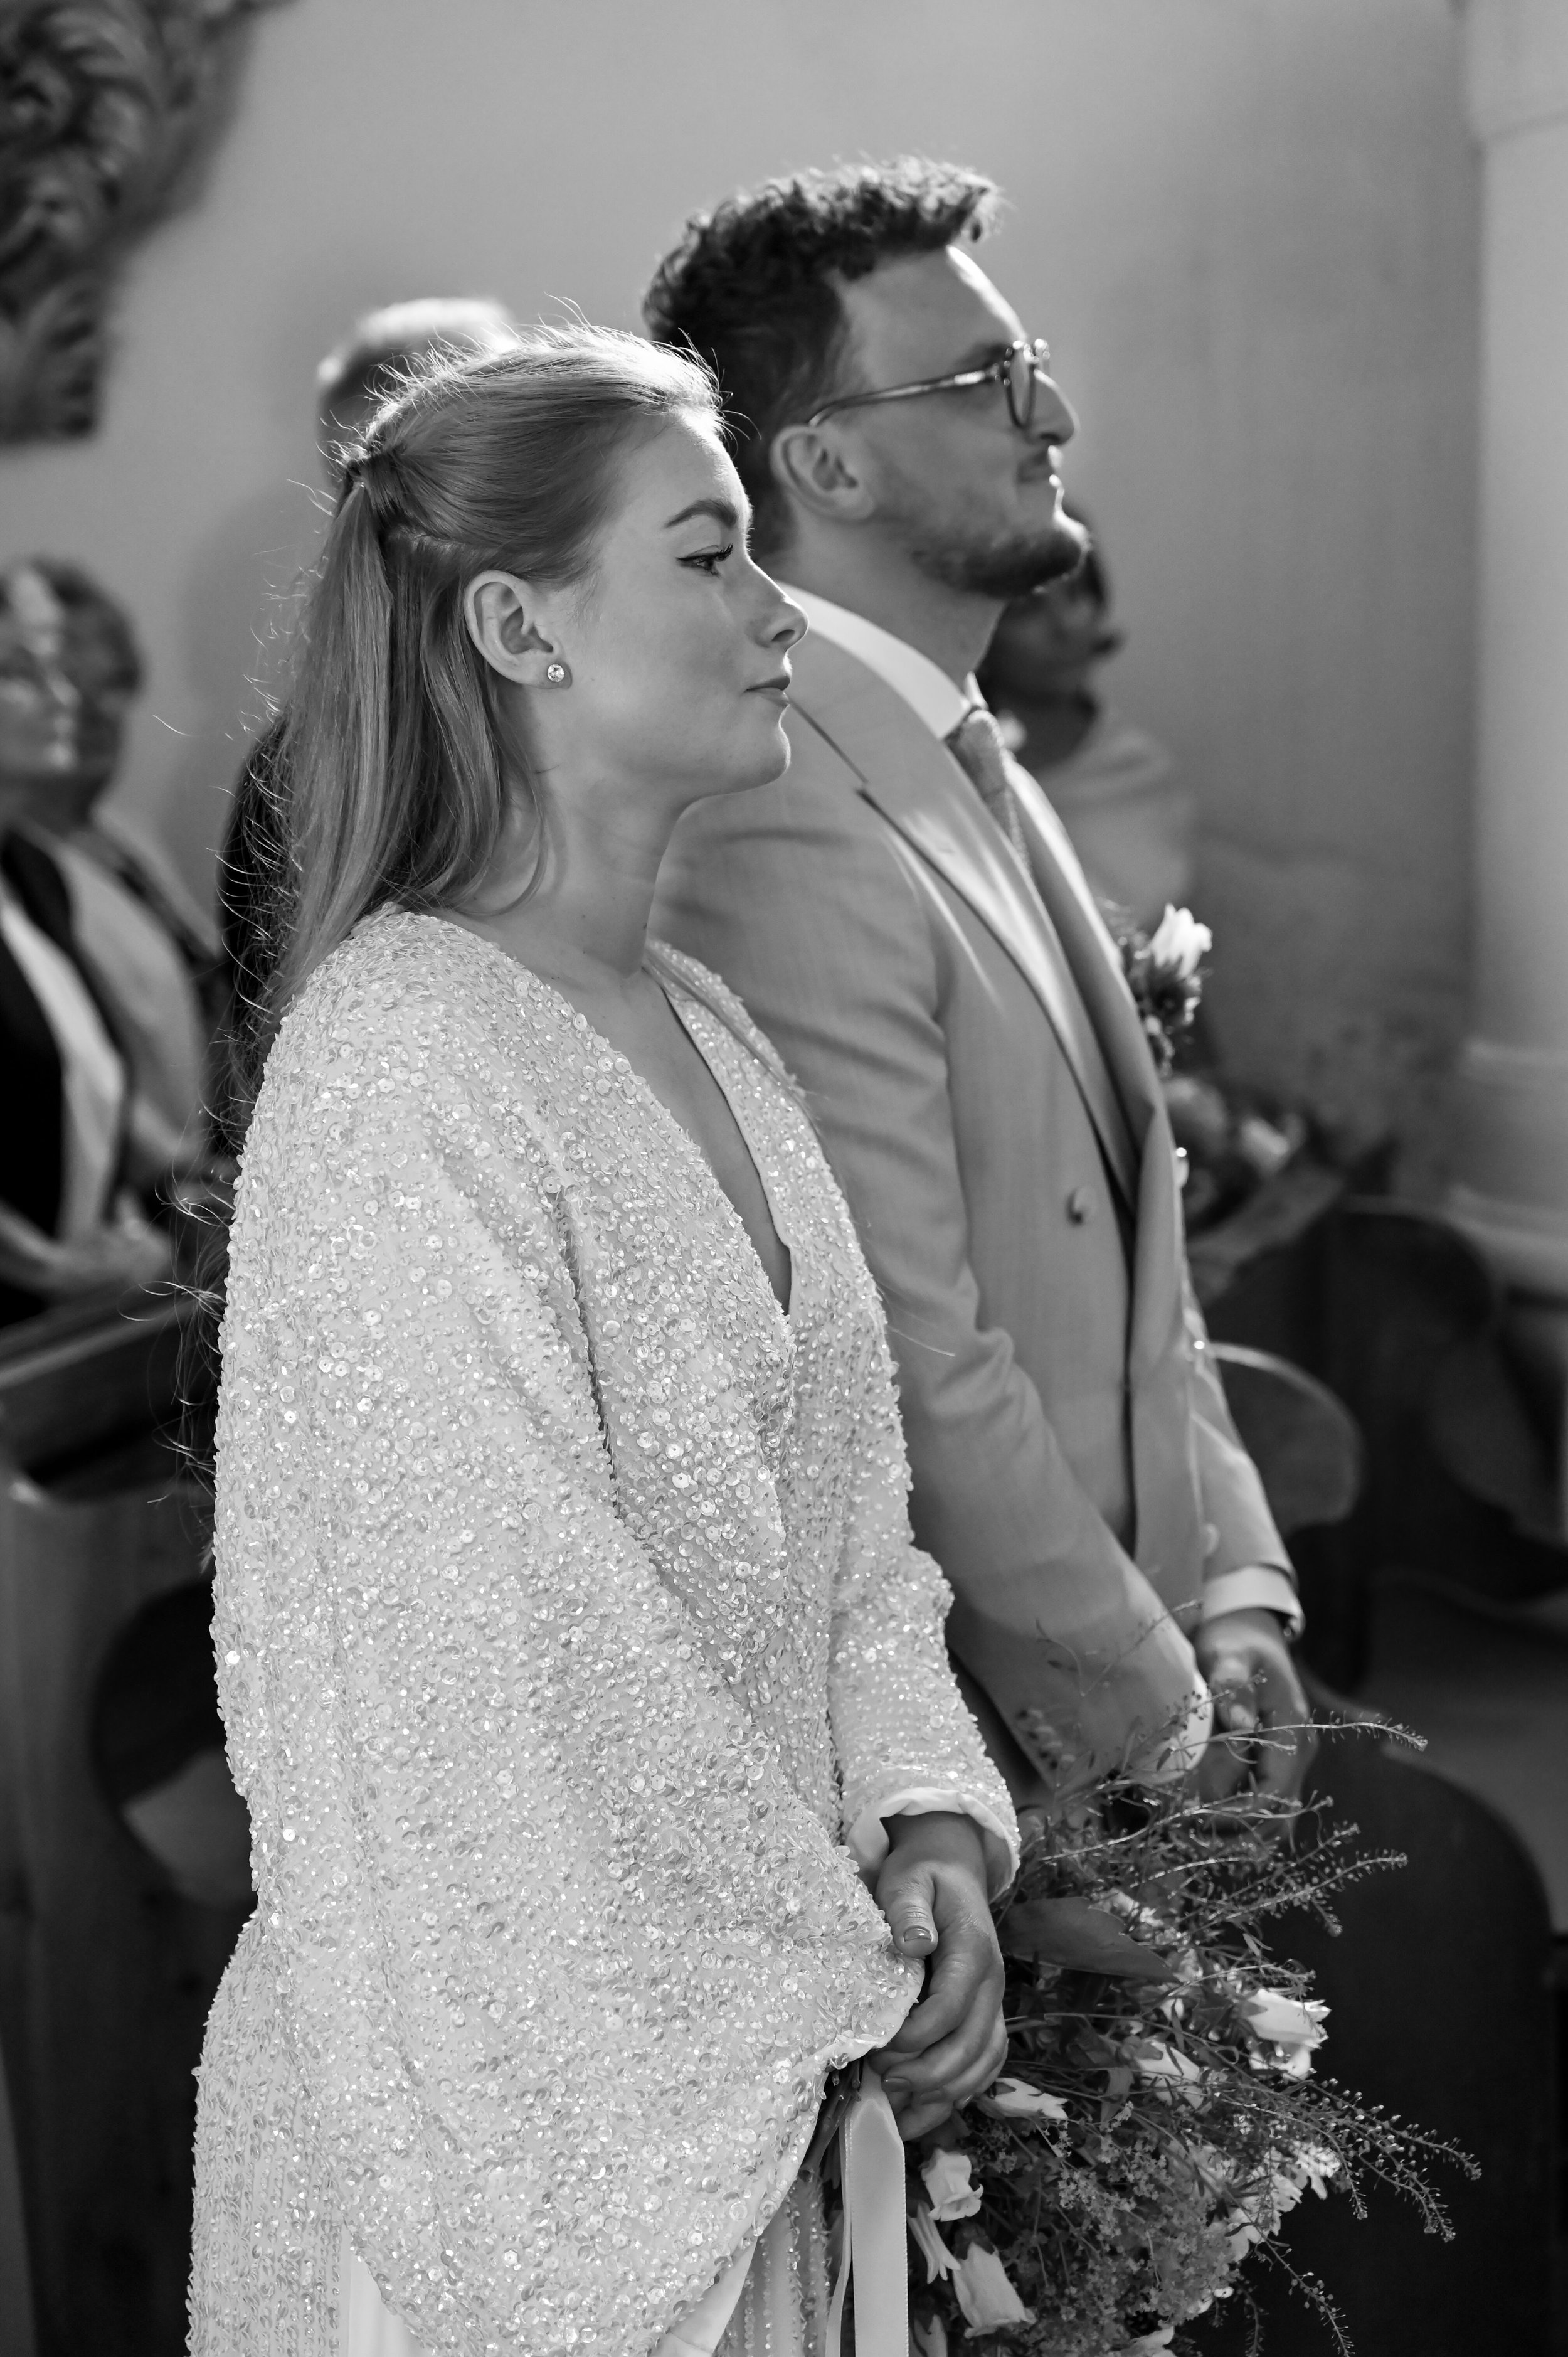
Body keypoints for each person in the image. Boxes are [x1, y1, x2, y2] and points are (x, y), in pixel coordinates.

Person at [191, 327, 1017, 2357]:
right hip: (521, 2123)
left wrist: (926, 1816)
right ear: (519, 625)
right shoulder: (403, 1063)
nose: (773, 608)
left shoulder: (712, 1032)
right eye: (713, 553)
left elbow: (855, 1539)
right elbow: (490, 1690)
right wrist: (839, 1971)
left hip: (756, 2040)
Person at [644, 160, 1310, 1806]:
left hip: (1116, 1663)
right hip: (975, 1755)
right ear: (827, 461)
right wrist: (1148, 1706)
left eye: (1030, 367)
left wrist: (1232, 1587)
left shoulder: (956, 744)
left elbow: (1129, 1259)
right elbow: (909, 1357)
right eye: (985, 380)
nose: (1053, 412)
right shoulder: (780, 800)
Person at [216, 295, 524, 1127]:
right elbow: (273, 1065)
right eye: (370, 486)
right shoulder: (300, 771)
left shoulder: (648, 700)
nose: (410, 523)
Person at [0, 560, 169, 1324]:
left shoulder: (34, 873)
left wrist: (136, 1216)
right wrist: (54, 1269)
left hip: (73, 1313)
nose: (67, 698)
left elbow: (90, 1085)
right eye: (21, 675)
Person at [19, 559, 220, 1176]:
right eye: (59, 680)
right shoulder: (20, 869)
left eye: (107, 684)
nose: (85, 709)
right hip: (132, 1201)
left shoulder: (125, 838)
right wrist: (184, 1173)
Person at [977, 525, 1197, 930]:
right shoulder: (969, 776)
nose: (1064, 627)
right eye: (1028, 609)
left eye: (1076, 595)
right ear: (981, 630)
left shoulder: (1140, 770)